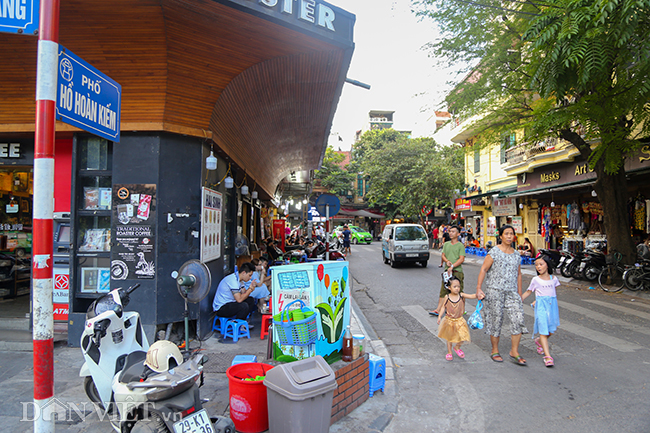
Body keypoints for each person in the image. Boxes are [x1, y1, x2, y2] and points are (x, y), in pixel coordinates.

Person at [475, 225, 528, 365]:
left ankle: (514, 351)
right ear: (501, 236)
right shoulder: (494, 252)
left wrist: (520, 293)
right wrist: (479, 288)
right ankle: (495, 350)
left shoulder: (516, 254)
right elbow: (484, 269)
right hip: (495, 290)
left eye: (512, 234)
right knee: (495, 320)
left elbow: (519, 274)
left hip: (511, 292)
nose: (509, 236)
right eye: (507, 234)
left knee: (518, 318)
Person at [522, 255, 560, 367]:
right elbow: (529, 291)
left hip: (552, 306)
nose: (539, 267)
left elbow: (552, 292)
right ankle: (548, 357)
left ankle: (538, 341)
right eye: (536, 265)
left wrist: (539, 298)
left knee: (551, 329)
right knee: (544, 330)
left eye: (541, 264)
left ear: (547, 265)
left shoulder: (554, 279)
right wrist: (520, 299)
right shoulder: (535, 280)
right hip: (541, 307)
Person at [437, 277, 478, 360]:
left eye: (458, 286)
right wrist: (439, 316)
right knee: (449, 338)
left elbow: (471, 296)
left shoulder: (461, 295)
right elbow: (443, 307)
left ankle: (457, 347)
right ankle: (449, 352)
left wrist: (478, 295)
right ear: (449, 288)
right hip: (449, 320)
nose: (457, 289)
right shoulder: (447, 297)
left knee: (464, 336)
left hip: (460, 320)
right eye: (454, 287)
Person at [431, 225, 466, 316]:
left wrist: (453, 266)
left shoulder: (460, 246)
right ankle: (438, 309)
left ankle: (461, 309)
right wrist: (447, 261)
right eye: (450, 231)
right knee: (444, 290)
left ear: (458, 234)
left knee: (458, 290)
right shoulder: (446, 244)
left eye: (453, 231)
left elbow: (461, 259)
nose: (451, 233)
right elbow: (443, 255)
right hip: (447, 272)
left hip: (457, 271)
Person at [212, 262, 259, 328]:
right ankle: (238, 326)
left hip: (231, 303)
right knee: (243, 306)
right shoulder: (232, 280)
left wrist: (250, 287)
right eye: (249, 275)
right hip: (221, 307)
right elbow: (239, 299)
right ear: (243, 273)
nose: (250, 278)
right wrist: (250, 289)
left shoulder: (240, 280)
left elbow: (244, 293)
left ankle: (242, 322)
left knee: (250, 300)